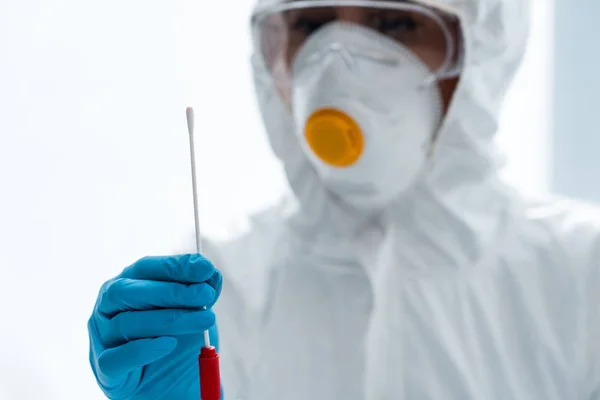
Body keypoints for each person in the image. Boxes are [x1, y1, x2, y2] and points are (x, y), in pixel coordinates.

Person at [88, 0, 600, 399]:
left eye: (395, 23)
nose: (339, 65)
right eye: (311, 25)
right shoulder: (225, 281)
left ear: (481, 45)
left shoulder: (582, 271)